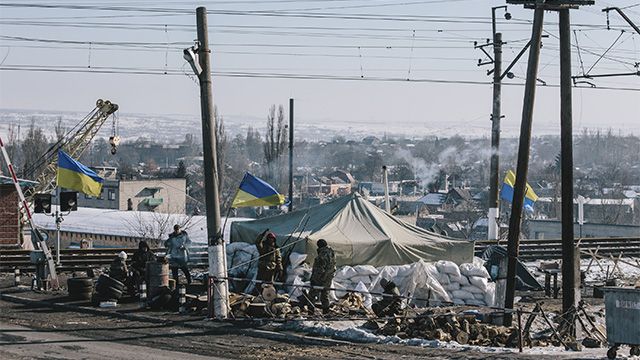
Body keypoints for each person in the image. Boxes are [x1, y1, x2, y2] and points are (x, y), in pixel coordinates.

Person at [302, 239, 336, 314]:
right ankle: (326, 312)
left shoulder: (322, 255)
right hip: (328, 278)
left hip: (320, 278)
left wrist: (314, 279)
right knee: (325, 295)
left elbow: (320, 269)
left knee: (312, 295)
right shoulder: (331, 252)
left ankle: (311, 312)